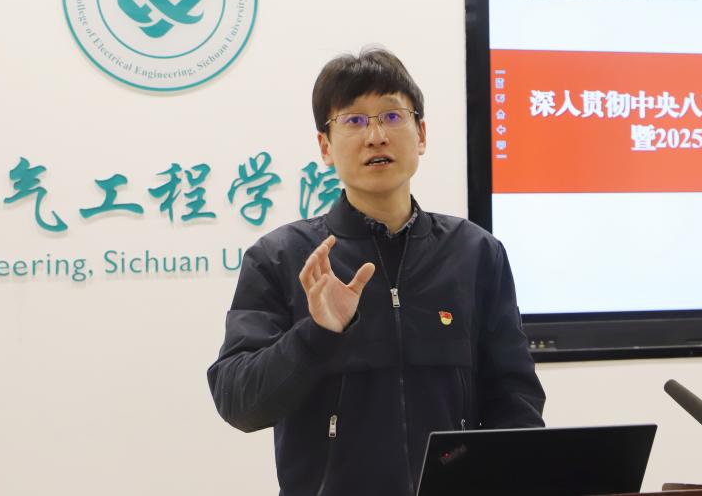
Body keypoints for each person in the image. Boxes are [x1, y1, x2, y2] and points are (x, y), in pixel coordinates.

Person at [207, 47, 545, 496]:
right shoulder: (281, 258)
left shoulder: (475, 253)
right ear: (325, 147)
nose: (375, 136)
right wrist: (317, 334)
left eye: (391, 116)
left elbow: (515, 399)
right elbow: (238, 402)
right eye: (353, 120)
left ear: (421, 134)